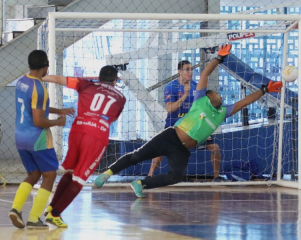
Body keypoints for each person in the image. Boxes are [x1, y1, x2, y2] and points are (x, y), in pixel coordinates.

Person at [93, 44, 283, 197]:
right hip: (170, 136)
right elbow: (206, 74)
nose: (220, 94)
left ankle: (141, 184)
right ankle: (106, 174)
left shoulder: (223, 112)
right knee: (137, 156)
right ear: (208, 96)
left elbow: (246, 100)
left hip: (182, 149)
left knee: (176, 176)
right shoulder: (200, 100)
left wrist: (265, 90)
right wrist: (219, 58)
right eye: (216, 92)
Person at [41, 65, 126, 228]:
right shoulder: (121, 98)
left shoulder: (86, 84)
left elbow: (60, 79)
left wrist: (39, 77)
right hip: (96, 136)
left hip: (77, 130)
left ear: (99, 77)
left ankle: (52, 207)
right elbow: (112, 119)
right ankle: (55, 214)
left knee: (70, 172)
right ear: (115, 81)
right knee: (79, 178)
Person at [9, 50, 75, 229]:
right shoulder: (40, 88)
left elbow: (36, 107)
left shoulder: (22, 81)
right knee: (50, 174)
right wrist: (58, 122)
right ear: (45, 66)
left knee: (33, 174)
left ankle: (15, 209)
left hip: (20, 136)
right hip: (37, 138)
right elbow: (39, 120)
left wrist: (59, 110)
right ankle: (34, 218)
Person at [147, 60, 223, 181]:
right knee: (160, 147)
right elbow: (169, 109)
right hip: (174, 125)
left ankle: (217, 177)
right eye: (187, 69)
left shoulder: (196, 86)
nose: (190, 72)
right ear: (179, 72)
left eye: (191, 69)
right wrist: (184, 95)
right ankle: (150, 175)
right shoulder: (171, 87)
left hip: (193, 125)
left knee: (215, 147)